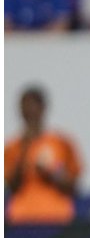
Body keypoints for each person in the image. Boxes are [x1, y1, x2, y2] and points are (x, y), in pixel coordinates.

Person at [4, 86, 82, 224]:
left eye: (33, 106)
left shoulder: (60, 143)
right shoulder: (13, 147)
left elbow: (72, 186)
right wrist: (25, 150)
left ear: (42, 108)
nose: (29, 111)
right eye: (25, 107)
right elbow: (12, 186)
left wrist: (51, 170)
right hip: (21, 217)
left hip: (56, 215)